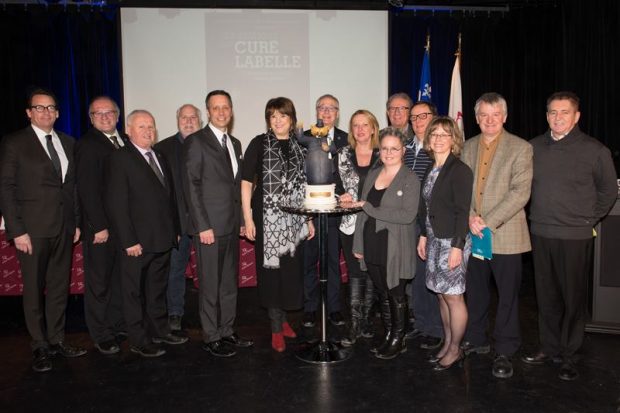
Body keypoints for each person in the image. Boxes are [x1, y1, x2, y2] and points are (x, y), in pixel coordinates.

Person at [523, 91, 617, 381]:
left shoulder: (595, 150)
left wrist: (588, 219)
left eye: (564, 112)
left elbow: (608, 191)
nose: (557, 117)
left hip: (575, 236)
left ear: (576, 117)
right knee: (546, 296)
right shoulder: (533, 147)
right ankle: (549, 347)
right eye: (552, 112)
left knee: (573, 298)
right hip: (541, 231)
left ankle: (569, 354)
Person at [0, 88, 86, 372]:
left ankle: (57, 340)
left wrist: (74, 223)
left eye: (51, 108)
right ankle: (39, 346)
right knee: (34, 290)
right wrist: (17, 230)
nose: (46, 112)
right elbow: (7, 188)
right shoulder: (14, 143)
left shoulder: (68, 142)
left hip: (63, 228)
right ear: (29, 112)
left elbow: (71, 188)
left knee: (60, 288)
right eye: (39, 108)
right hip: (32, 231)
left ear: (58, 112)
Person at [461, 92, 533, 379]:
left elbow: (520, 193)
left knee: (507, 296)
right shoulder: (467, 147)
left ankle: (504, 348)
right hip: (473, 233)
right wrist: (468, 217)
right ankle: (476, 339)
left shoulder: (521, 148)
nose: (489, 121)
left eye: (495, 115)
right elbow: (462, 187)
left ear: (504, 116)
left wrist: (486, 221)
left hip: (505, 233)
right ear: (477, 118)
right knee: (475, 291)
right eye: (483, 115)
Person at [105, 110, 187, 358]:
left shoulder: (160, 155)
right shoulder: (120, 158)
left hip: (162, 238)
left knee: (157, 289)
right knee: (133, 293)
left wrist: (176, 231)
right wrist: (129, 240)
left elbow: (170, 198)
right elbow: (116, 204)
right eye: (141, 127)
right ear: (128, 130)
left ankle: (161, 330)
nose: (148, 131)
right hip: (136, 243)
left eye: (151, 126)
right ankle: (139, 340)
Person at [241, 97, 315, 352]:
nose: (278, 120)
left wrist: (308, 219)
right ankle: (275, 328)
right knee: (271, 274)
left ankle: (283, 320)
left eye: (283, 115)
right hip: (267, 219)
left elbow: (305, 185)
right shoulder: (259, 144)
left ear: (292, 119)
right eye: (273, 116)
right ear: (268, 120)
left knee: (290, 272)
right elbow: (246, 182)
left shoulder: (300, 146)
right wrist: (248, 218)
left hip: (294, 220)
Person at [184, 90, 253, 358]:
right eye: (216, 108)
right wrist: (202, 225)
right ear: (208, 112)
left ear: (231, 110)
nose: (222, 112)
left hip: (230, 226)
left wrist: (241, 222)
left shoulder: (234, 143)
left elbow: (236, 187)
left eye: (226, 107)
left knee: (228, 283)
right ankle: (211, 335)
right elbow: (192, 186)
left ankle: (227, 330)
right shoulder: (196, 142)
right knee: (210, 284)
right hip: (209, 228)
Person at [350, 127, 420, 360]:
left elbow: (407, 215)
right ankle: (390, 334)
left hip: (396, 245)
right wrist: (358, 244)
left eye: (394, 149)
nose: (389, 153)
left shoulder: (410, 178)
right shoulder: (373, 173)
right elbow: (362, 215)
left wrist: (369, 207)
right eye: (385, 148)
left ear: (403, 151)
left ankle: (398, 339)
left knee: (396, 292)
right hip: (372, 242)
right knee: (382, 291)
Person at [416, 117, 473, 371]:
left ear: (454, 139)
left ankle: (456, 349)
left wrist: (458, 247)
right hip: (434, 240)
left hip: (452, 242)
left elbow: (463, 212)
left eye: (444, 134)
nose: (438, 139)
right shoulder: (431, 168)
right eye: (434, 134)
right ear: (428, 139)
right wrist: (423, 235)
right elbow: (426, 208)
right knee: (441, 295)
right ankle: (448, 342)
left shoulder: (459, 170)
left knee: (454, 298)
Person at [76, 96, 128, 355]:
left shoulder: (125, 142)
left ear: (117, 116)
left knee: (118, 279)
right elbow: (87, 190)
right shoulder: (87, 145)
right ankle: (101, 333)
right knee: (99, 283)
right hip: (102, 229)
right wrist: (98, 226)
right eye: (98, 113)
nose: (105, 117)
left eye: (109, 112)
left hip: (123, 229)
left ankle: (117, 325)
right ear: (91, 118)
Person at [154, 103, 202, 333]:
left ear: (200, 120)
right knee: (175, 270)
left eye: (193, 117)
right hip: (177, 223)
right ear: (177, 120)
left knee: (209, 272)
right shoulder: (161, 149)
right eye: (185, 117)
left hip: (206, 223)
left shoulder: (210, 144)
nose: (189, 121)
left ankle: (210, 314)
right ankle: (175, 313)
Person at [302, 94, 348, 328]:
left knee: (332, 261)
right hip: (310, 212)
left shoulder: (345, 139)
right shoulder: (304, 138)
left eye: (332, 108)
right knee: (309, 261)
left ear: (338, 113)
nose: (327, 112)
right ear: (316, 111)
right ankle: (310, 308)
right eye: (322, 108)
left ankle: (334, 308)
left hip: (334, 212)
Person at [336, 109, 380, 346]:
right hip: (350, 222)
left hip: (376, 221)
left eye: (365, 125)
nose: (361, 129)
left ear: (374, 128)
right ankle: (353, 324)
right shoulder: (343, 153)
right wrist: (340, 193)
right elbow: (333, 180)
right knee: (355, 271)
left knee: (372, 271)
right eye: (356, 125)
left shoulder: (384, 153)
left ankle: (367, 321)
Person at [404, 101, 443, 351]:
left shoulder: (439, 148)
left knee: (433, 277)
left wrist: (426, 229)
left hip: (431, 223)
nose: (418, 121)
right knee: (417, 277)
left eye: (423, 116)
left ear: (434, 117)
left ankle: (436, 328)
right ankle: (421, 323)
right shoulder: (406, 149)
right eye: (414, 117)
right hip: (408, 222)